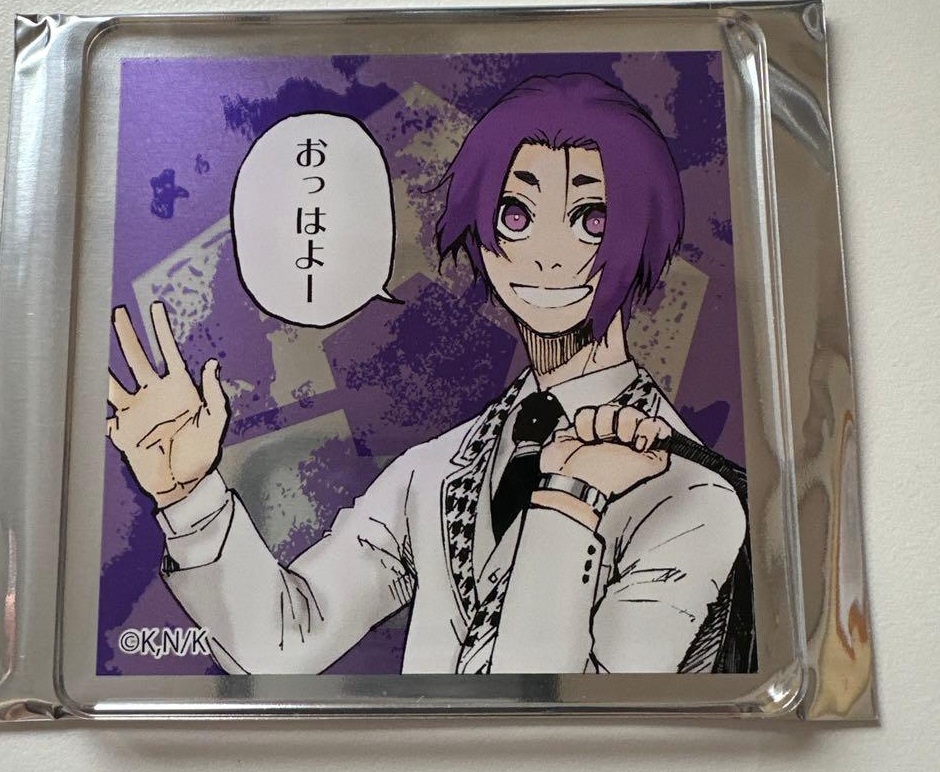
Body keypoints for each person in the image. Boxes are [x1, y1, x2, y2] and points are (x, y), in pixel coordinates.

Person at [106, 73, 748, 675]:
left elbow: (582, 718)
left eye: (591, 219)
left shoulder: (692, 496)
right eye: (517, 215)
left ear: (642, 230)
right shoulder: (437, 469)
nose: (548, 257)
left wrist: (570, 500)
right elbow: (284, 644)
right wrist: (188, 496)